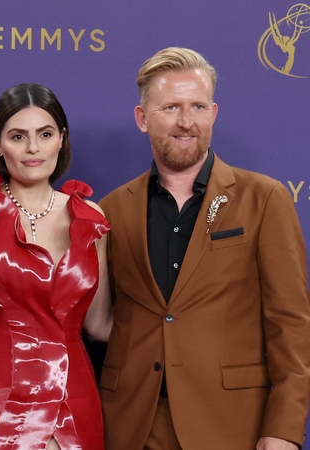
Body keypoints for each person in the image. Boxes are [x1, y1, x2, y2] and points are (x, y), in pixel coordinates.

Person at [99, 47, 310, 450]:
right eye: (171, 107)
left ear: (213, 113)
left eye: (197, 106)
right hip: (133, 426)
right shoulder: (111, 210)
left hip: (232, 425)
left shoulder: (264, 198)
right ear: (142, 118)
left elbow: (292, 325)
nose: (186, 121)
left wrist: (284, 429)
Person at [0, 83, 113, 450]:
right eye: (18, 136)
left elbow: (99, 325)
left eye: (45, 134)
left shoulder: (91, 217)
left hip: (73, 394)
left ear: (61, 140)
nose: (33, 148)